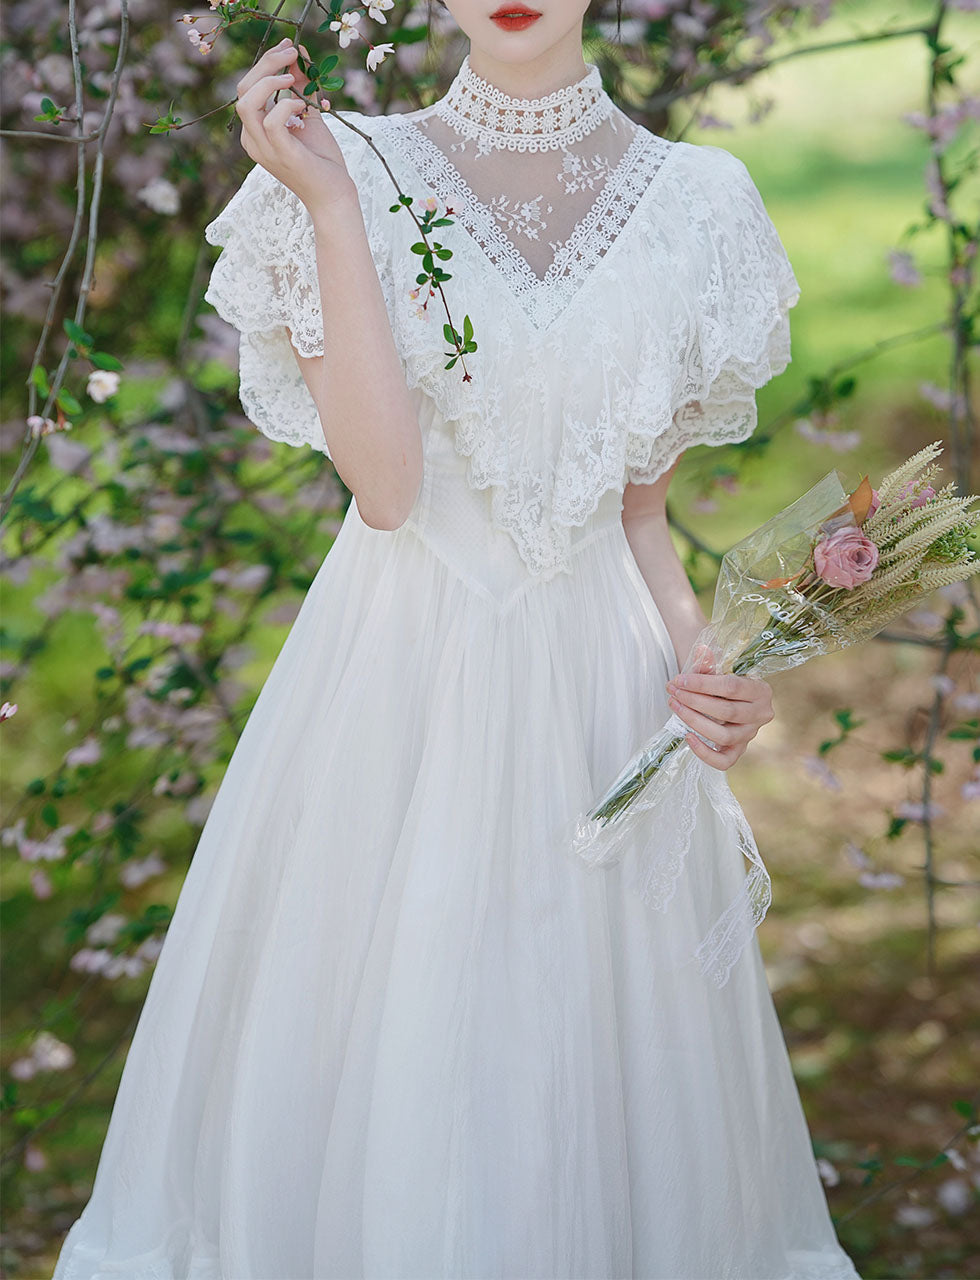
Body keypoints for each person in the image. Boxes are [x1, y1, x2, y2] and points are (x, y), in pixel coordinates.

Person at [51, 1, 865, 1276]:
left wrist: (710, 666)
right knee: (402, 1055)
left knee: (602, 1079)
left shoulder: (701, 201)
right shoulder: (344, 170)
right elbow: (385, 488)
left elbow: (637, 514)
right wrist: (328, 211)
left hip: (603, 694)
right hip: (396, 687)